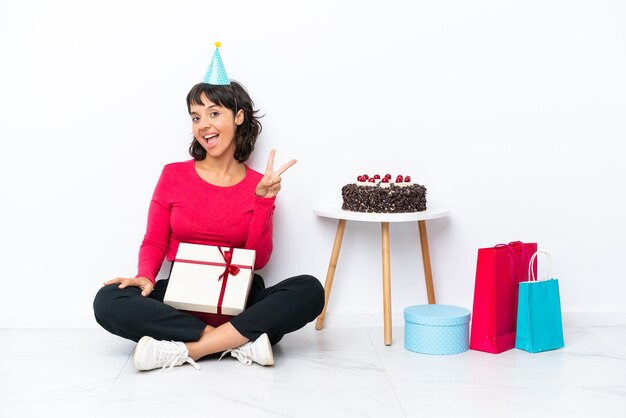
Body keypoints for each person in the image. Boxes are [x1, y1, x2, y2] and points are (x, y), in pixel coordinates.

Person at [93, 44, 325, 372]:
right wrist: (145, 276)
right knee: (108, 300)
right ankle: (237, 342)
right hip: (179, 298)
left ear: (238, 117)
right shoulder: (173, 175)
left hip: (240, 300)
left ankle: (185, 349)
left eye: (214, 113)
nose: (204, 125)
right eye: (196, 117)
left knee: (310, 290)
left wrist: (264, 201)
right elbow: (155, 240)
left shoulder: (260, 184)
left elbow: (258, 260)